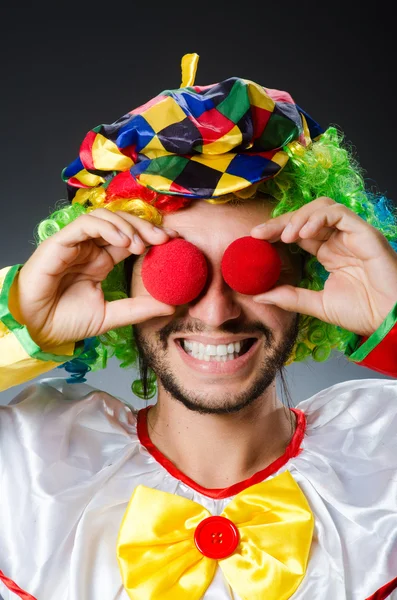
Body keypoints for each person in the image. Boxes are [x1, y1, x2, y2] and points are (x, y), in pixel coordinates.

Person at [0, 53, 396, 600]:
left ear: (313, 281)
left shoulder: (383, 450)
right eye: (178, 272)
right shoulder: (29, 462)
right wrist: (23, 321)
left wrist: (394, 321)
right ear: (120, 281)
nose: (216, 312)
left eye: (250, 269)